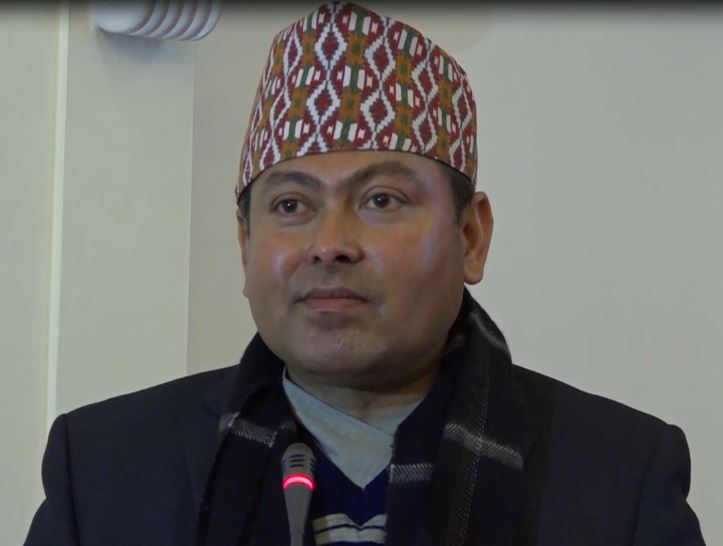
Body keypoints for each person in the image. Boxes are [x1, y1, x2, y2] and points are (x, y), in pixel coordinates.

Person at [25, 2, 705, 545]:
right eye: (291, 206)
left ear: (470, 237)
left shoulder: (619, 477)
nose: (329, 244)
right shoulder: (106, 468)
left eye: (381, 200)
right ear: (245, 243)